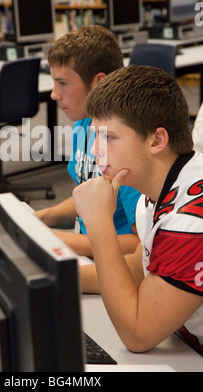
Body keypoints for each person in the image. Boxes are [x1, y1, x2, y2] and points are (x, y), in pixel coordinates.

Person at [73, 64, 203, 354]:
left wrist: (98, 221)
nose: (95, 150)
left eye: (109, 137)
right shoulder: (158, 188)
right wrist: (54, 280)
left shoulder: (191, 223)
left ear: (156, 140)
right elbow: (140, 267)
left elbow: (137, 335)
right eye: (96, 136)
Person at [36, 25, 140, 257]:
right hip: (88, 250)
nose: (54, 93)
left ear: (98, 82)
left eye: (63, 83)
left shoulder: (127, 146)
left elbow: (140, 244)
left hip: (115, 263)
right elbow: (90, 194)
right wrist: (43, 216)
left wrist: (63, 240)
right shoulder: (85, 123)